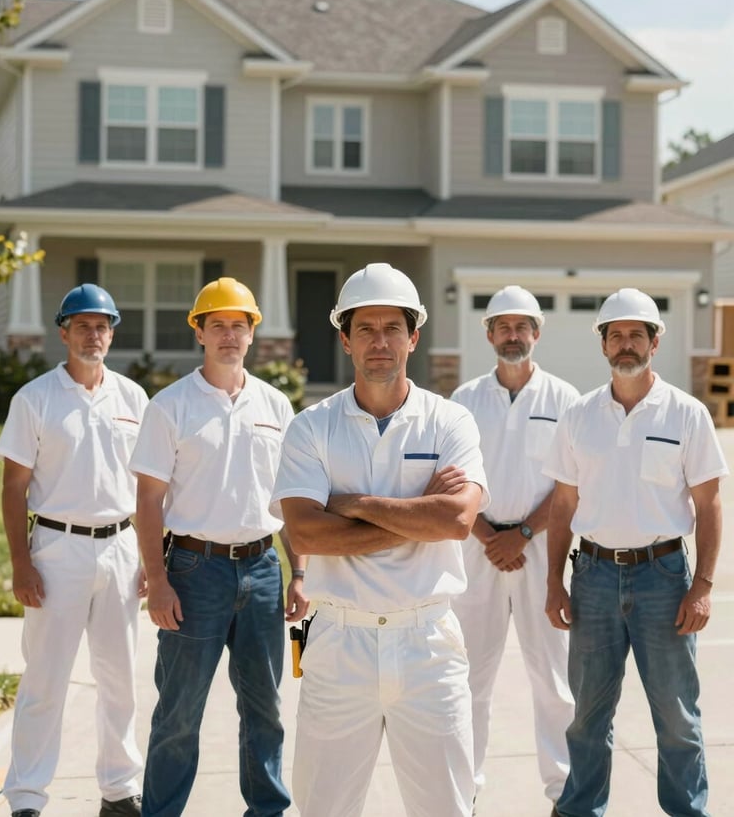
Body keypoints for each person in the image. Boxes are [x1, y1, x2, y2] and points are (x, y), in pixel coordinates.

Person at [271, 262, 489, 817]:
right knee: (323, 809)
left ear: (413, 337)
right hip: (339, 644)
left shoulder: (450, 422)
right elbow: (306, 533)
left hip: (429, 646)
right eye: (365, 328)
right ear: (344, 338)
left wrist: (352, 503)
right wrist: (419, 511)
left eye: (393, 328)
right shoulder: (311, 426)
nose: (380, 342)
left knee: (447, 808)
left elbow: (457, 522)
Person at [544, 288, 727, 817]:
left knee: (676, 717)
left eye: (636, 335)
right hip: (594, 577)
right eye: (616, 335)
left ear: (654, 341)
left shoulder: (687, 414)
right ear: (603, 344)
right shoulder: (579, 415)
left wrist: (703, 586)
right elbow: (563, 505)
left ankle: (687, 811)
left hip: (664, 578)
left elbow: (709, 503)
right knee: (587, 716)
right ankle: (579, 809)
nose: (626, 344)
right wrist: (555, 582)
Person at [129, 277, 308, 817]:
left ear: (253, 334)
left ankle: (267, 811)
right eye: (218, 326)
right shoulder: (171, 406)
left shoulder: (276, 406)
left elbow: (291, 501)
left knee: (266, 709)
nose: (229, 335)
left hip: (261, 571)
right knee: (179, 713)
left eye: (239, 325)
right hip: (191, 571)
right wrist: (157, 580)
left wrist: (299, 573)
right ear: (200, 334)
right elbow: (148, 500)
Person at [0, 284, 147, 817]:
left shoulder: (133, 398)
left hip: (123, 548)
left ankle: (120, 790)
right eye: (82, 325)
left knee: (120, 679)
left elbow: (152, 488)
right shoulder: (35, 398)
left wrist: (152, 558)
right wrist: (21, 563)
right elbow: (14, 487)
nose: (94, 334)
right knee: (45, 680)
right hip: (57, 549)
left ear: (112, 332)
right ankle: (28, 797)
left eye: (103, 325)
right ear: (63, 332)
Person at [450, 285, 577, 814]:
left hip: (541, 551)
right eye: (502, 326)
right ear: (488, 333)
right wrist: (489, 536)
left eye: (522, 326)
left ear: (537, 332)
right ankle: (465, 791)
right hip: (476, 552)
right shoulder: (463, 400)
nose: (512, 335)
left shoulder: (566, 400)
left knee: (553, 679)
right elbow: (449, 481)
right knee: (468, 677)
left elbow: (570, 484)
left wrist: (521, 534)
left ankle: (565, 793)